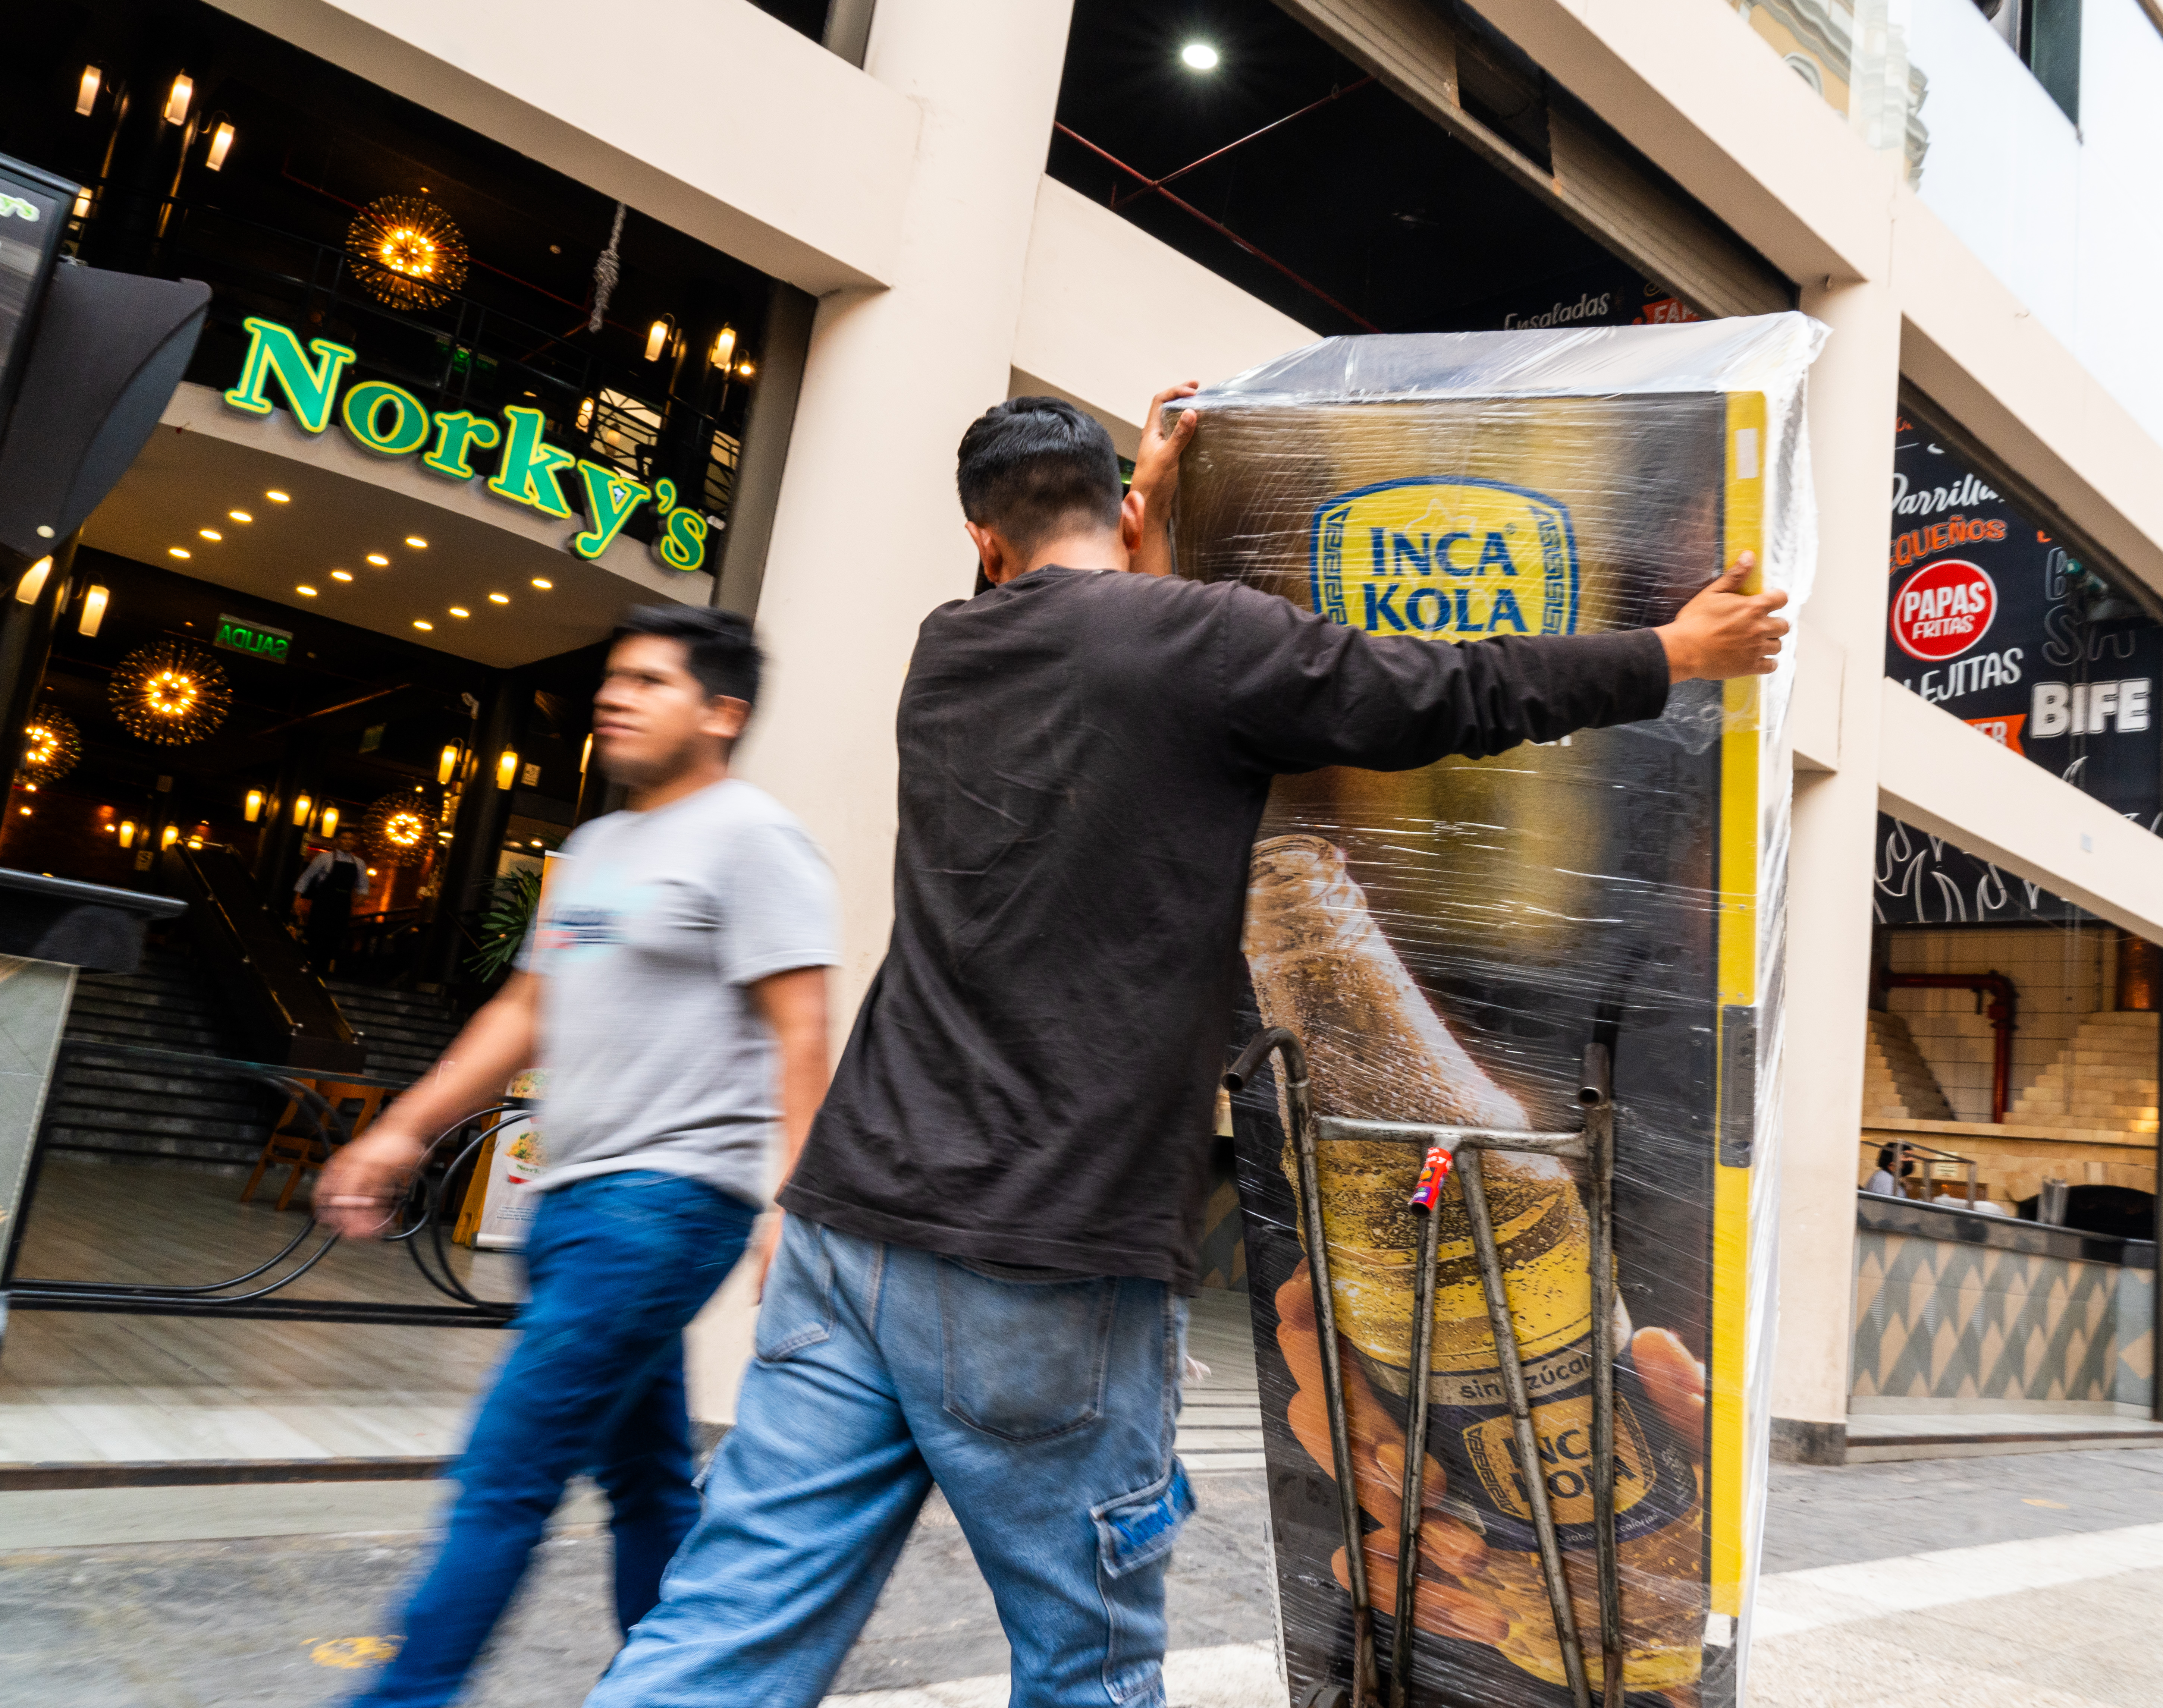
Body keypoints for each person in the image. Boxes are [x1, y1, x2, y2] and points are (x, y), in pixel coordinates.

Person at [586, 388, 1790, 1708]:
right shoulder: (1203, 647)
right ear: (1115, 509)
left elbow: (1091, 641)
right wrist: (1673, 651)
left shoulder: (948, 650)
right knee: (1085, 1668)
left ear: (983, 542)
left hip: (847, 1232)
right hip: (1046, 1256)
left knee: (721, 1632)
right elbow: (1446, 690)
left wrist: (1139, 514)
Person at [314, 605, 837, 1708]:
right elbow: (527, 1006)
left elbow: (802, 1032)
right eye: (614, 679)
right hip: (571, 1206)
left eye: (649, 680)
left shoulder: (753, 838)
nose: (615, 696)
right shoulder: (598, 848)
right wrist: (406, 1124)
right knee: (646, 1480)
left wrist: (794, 1204)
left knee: (506, 1472)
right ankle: (688, 1682)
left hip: (666, 1203)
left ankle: (402, 1695)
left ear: (722, 712)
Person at [292, 840, 369, 973]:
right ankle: (308, 964)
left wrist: (362, 896)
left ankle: (323, 969)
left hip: (343, 902)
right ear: (338, 841)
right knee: (316, 932)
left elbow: (363, 884)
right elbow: (308, 877)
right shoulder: (325, 857)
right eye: (345, 838)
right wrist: (297, 899)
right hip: (324, 899)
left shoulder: (359, 863)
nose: (348, 842)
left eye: (351, 839)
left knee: (336, 936)